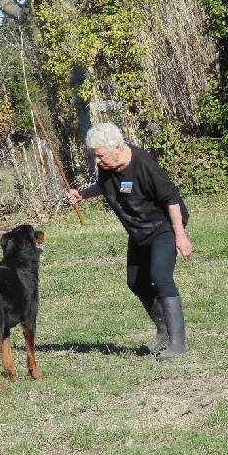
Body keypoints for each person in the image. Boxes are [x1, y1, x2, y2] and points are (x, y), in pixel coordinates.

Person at [66, 122, 192, 361]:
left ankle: (178, 344)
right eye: (95, 157)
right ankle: (163, 329)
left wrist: (180, 235)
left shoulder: (144, 164)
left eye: (101, 156)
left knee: (161, 277)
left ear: (116, 148)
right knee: (135, 282)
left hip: (163, 227)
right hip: (138, 232)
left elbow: (171, 198)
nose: (98, 162)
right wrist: (82, 194)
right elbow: (104, 187)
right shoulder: (108, 167)